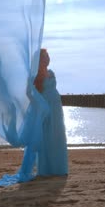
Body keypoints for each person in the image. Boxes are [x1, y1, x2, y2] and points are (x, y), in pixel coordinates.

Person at [34, 48, 69, 176]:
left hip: (56, 107)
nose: (47, 58)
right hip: (45, 108)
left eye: (48, 56)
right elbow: (31, 94)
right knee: (46, 136)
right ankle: (46, 169)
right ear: (39, 60)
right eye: (44, 56)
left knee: (57, 135)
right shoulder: (35, 76)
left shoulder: (51, 72)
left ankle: (58, 168)